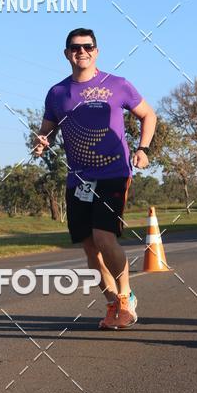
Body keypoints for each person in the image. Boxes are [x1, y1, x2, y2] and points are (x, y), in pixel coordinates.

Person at [34, 28, 156, 328]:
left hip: (113, 173)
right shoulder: (57, 93)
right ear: (67, 54)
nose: (82, 52)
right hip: (79, 180)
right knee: (89, 246)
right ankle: (112, 302)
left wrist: (142, 149)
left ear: (96, 51)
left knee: (103, 236)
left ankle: (125, 297)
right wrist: (42, 141)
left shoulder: (118, 85)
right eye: (75, 47)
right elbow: (48, 129)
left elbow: (148, 115)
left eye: (88, 46)